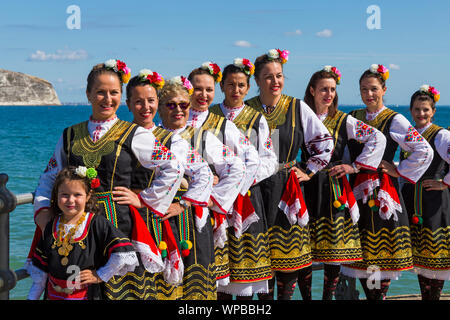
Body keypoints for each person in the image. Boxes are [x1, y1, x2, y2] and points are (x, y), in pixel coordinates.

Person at [30, 59, 185, 300]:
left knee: (123, 291)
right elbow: (50, 177)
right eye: (100, 92)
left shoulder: (134, 134)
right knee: (82, 288)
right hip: (78, 228)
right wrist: (41, 210)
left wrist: (144, 199)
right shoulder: (70, 135)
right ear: (88, 94)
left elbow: (173, 167)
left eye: (114, 93)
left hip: (119, 226)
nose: (107, 99)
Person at [245, 49, 334, 300]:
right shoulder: (247, 109)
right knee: (260, 261)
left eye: (279, 76)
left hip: (286, 186)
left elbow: (324, 141)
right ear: (257, 80)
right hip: (255, 189)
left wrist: (309, 170)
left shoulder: (297, 107)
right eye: (269, 76)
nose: (275, 82)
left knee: (289, 260)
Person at [340, 64, 433, 300]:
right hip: (356, 190)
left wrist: (399, 170)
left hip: (383, 192)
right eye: (363, 90)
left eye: (373, 89)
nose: (369, 94)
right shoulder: (353, 117)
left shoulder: (394, 119)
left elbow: (424, 150)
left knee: (381, 254)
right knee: (360, 253)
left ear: (384, 89)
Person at [123, 69, 215, 299]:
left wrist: (182, 205)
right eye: (138, 102)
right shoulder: (120, 135)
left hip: (162, 222)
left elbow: (203, 172)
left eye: (151, 101)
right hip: (129, 223)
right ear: (129, 104)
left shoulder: (171, 140)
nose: (145, 108)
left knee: (168, 289)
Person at [302, 66, 387, 300]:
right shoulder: (301, 117)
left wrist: (355, 166)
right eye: (323, 89)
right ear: (312, 90)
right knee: (303, 252)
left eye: (332, 90)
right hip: (306, 185)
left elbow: (377, 138)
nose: (328, 94)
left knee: (333, 254)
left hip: (333, 189)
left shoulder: (343, 120)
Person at [158, 75, 246, 299]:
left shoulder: (202, 138)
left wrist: (211, 200)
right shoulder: (148, 137)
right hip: (159, 223)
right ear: (159, 107)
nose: (178, 110)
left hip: (193, 222)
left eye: (184, 105)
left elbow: (237, 168)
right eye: (171, 105)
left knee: (198, 290)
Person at [208, 59, 278, 299]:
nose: (235, 90)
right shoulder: (210, 115)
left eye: (240, 85)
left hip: (247, 196)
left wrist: (240, 182)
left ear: (248, 88)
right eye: (230, 84)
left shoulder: (258, 119)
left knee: (247, 272)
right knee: (220, 271)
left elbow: (269, 159)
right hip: (215, 198)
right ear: (222, 86)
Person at [187, 62, 260, 289]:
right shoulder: (174, 119)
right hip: (177, 203)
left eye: (209, 90)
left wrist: (220, 197)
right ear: (188, 89)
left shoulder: (222, 125)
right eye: (198, 89)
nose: (203, 94)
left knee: (206, 274)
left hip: (205, 207)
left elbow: (252, 161)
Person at [27, 166, 139, 300]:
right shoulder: (52, 226)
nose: (70, 200)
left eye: (77, 195)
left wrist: (100, 275)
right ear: (56, 195)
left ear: (88, 196)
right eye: (64, 195)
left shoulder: (96, 223)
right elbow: (41, 274)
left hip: (86, 295)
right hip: (53, 295)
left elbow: (123, 252)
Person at [400, 85, 450, 300]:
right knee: (420, 258)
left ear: (433, 112)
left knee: (435, 256)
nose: (421, 114)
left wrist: (445, 183)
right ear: (411, 111)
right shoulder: (408, 135)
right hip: (413, 200)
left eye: (426, 110)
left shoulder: (441, 135)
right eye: (417, 109)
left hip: (434, 202)